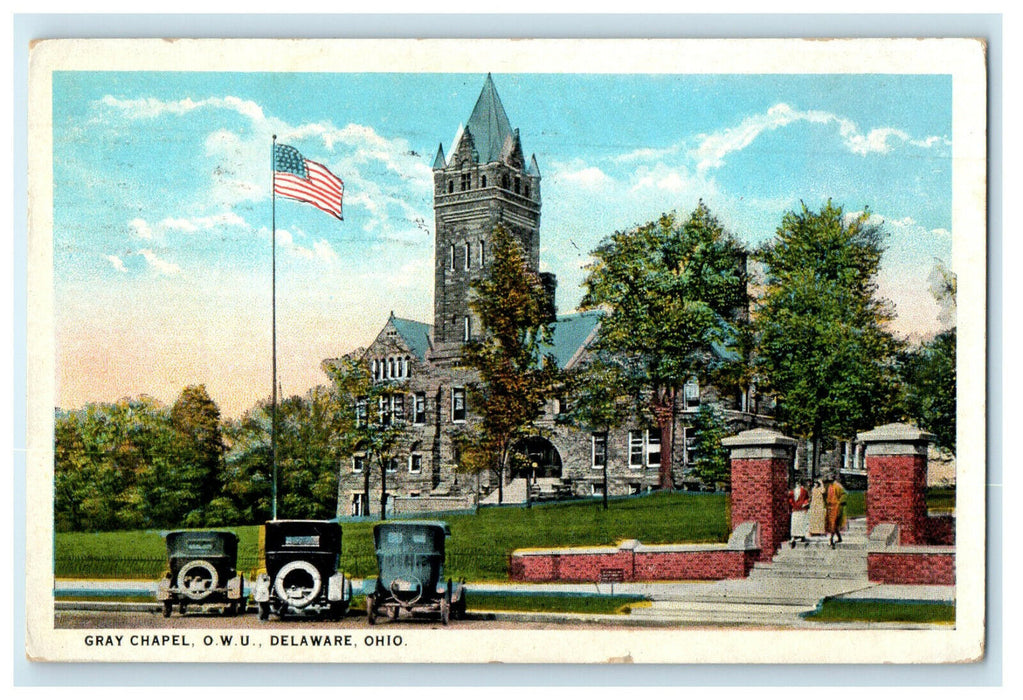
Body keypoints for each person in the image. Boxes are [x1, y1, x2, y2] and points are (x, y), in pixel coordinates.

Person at [825, 474, 848, 548]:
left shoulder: (838, 486)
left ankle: (831, 539)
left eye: (830, 478)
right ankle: (839, 538)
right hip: (830, 507)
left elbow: (844, 494)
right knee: (832, 523)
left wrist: (839, 502)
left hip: (836, 507)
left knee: (833, 522)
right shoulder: (830, 486)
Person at [789, 480, 811, 547]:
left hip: (801, 509)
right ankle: (794, 536)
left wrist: (805, 504)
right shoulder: (792, 492)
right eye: (796, 483)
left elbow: (807, 498)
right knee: (795, 523)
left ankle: (802, 536)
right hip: (795, 509)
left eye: (798, 483)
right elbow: (790, 499)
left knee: (801, 523)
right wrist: (792, 505)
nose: (797, 484)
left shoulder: (804, 491)